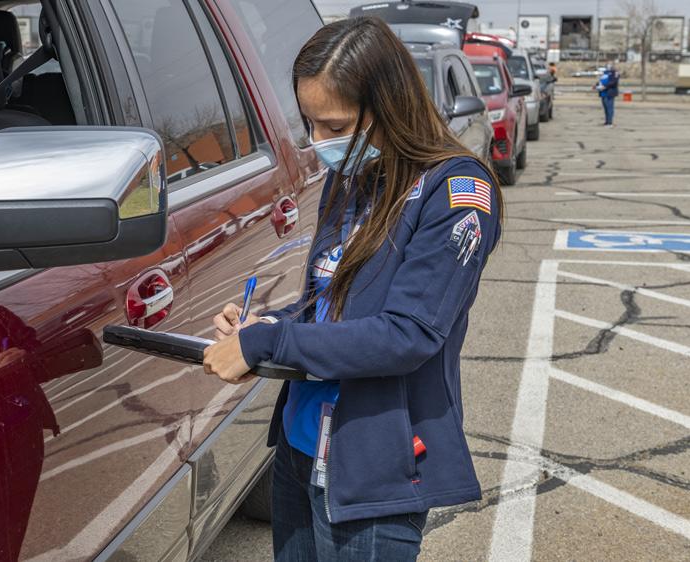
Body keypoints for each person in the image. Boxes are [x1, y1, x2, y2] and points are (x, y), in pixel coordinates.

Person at [203, 17, 501, 561]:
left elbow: (406, 335)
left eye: (336, 127)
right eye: (310, 124)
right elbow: (331, 300)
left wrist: (267, 347)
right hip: (299, 448)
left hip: (374, 470)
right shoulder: (354, 177)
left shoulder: (457, 191)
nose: (319, 144)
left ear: (389, 107)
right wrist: (266, 326)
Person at [594, 62, 619, 127]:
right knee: (605, 108)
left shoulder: (615, 73)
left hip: (610, 93)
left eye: (610, 64)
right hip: (603, 93)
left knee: (609, 108)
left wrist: (605, 86)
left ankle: (610, 123)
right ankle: (607, 121)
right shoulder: (604, 72)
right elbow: (600, 80)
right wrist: (596, 85)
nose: (608, 65)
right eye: (607, 64)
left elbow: (613, 82)